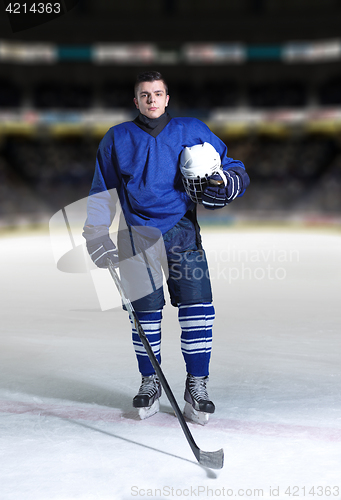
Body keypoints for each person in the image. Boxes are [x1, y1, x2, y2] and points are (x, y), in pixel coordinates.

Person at [83, 71, 249, 423]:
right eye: (145, 95)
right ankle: (150, 382)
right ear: (136, 101)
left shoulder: (192, 130)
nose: (152, 100)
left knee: (198, 306)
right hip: (135, 234)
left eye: (158, 94)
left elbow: (232, 165)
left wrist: (229, 181)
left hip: (182, 231)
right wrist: (96, 232)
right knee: (144, 314)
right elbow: (102, 190)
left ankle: (196, 384)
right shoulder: (117, 138)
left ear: (167, 98)